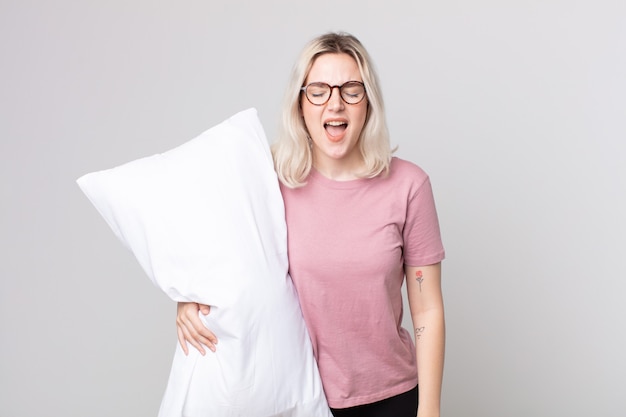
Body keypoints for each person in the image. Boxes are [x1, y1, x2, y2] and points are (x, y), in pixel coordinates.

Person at [176, 32, 446, 417]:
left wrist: (430, 410)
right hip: (294, 397)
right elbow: (222, 261)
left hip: (392, 398)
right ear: (300, 104)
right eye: (318, 90)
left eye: (351, 90)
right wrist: (189, 297)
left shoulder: (409, 186)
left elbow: (428, 310)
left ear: (367, 103)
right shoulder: (268, 181)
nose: (335, 103)